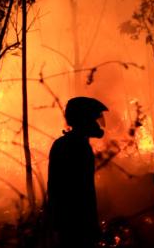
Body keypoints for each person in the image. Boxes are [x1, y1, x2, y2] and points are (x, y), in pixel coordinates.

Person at [47, 97, 108, 248]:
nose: (97, 124)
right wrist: (90, 224)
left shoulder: (66, 144)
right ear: (83, 120)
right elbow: (82, 191)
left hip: (68, 224)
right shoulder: (78, 147)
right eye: (93, 119)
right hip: (75, 225)